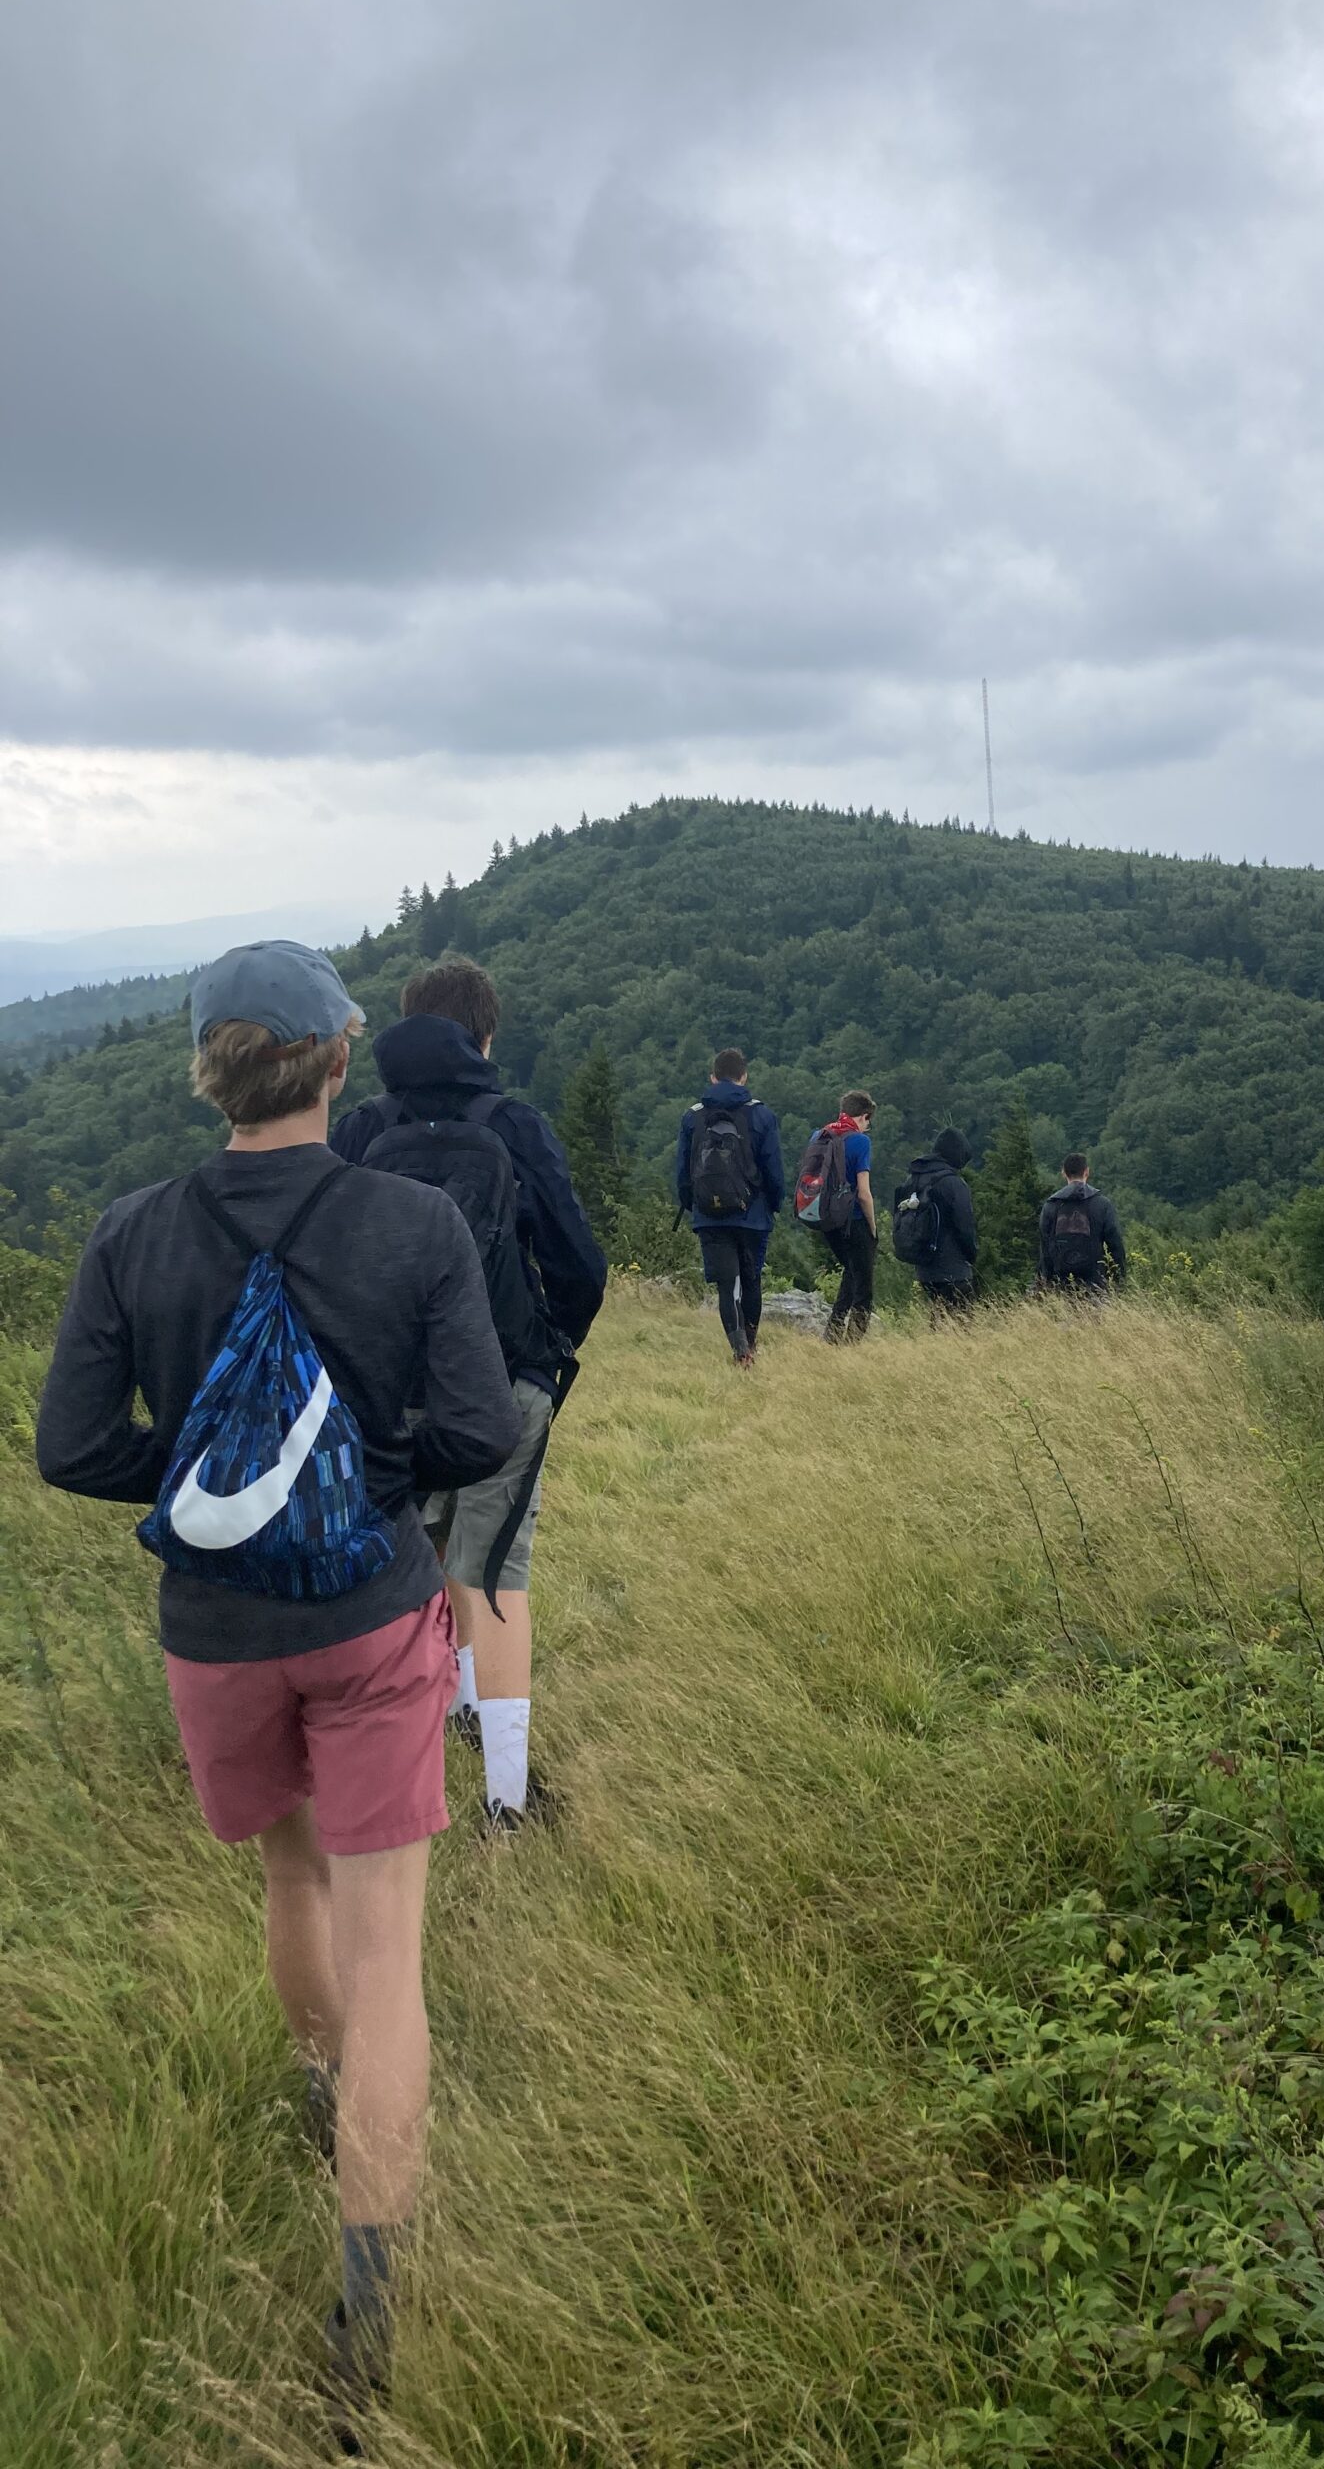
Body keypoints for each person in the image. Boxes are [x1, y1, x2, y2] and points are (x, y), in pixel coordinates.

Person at [34, 940, 521, 2433]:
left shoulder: (133, 1231)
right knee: (396, 1960)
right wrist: (371, 1490)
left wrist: (191, 1486)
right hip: (373, 1620)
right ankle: (371, 2299)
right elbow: (481, 1429)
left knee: (291, 1885)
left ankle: (321, 2094)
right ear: (332, 1062)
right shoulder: (413, 1220)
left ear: (207, 1069)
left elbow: (68, 1447)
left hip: (216, 1632)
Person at [331, 957, 606, 1835]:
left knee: (410, 1566)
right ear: (485, 1038)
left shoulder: (363, 1126)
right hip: (501, 1384)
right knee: (494, 1571)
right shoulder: (513, 1125)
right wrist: (542, 1358)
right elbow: (579, 1266)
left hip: (382, 1395)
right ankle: (508, 1799)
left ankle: (428, 1739)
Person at [674, 1048, 786, 1366]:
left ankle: (740, 1353)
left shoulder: (692, 1116)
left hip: (709, 1215)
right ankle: (750, 1345)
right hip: (753, 1213)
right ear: (744, 1076)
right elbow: (773, 1168)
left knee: (727, 1285)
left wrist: (692, 1204)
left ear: (712, 1077)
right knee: (751, 1280)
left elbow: (683, 1171)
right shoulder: (761, 1115)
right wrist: (773, 1204)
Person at [894, 1127, 978, 1314]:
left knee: (940, 1318)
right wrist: (971, 1255)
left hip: (924, 1267)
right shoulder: (954, 1184)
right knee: (962, 1326)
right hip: (954, 1268)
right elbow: (965, 1227)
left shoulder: (912, 1180)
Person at [817, 1089, 878, 1343]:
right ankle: (853, 1342)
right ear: (863, 1116)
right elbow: (863, 1193)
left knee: (850, 1271)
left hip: (826, 1218)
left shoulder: (819, 1135)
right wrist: (872, 1227)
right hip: (853, 1219)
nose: (867, 1127)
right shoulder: (860, 1142)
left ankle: (832, 1331)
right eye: (868, 1121)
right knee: (864, 1285)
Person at [1039, 1155, 1128, 1300]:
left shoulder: (1051, 1206)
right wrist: (1119, 1281)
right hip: (1096, 1283)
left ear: (1063, 1173)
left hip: (1061, 1285)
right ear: (1087, 1172)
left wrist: (1046, 1282)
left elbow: (1045, 1250)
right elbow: (1115, 1245)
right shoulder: (1102, 1204)